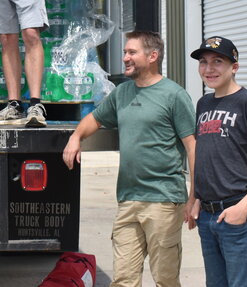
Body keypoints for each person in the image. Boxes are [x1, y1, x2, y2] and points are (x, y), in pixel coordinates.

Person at [63, 31, 196, 287]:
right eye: (125, 52)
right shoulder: (122, 93)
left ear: (153, 56)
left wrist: (194, 196)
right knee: (124, 279)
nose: (125, 57)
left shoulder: (174, 95)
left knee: (166, 279)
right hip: (127, 198)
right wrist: (76, 137)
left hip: (164, 200)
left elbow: (193, 147)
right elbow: (95, 119)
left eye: (132, 52)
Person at [186, 36, 247, 287]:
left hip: (239, 216)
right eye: (204, 62)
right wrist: (196, 198)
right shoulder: (204, 103)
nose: (209, 69)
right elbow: (207, 155)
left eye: (218, 62)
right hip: (207, 217)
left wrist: (243, 209)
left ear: (235, 67)